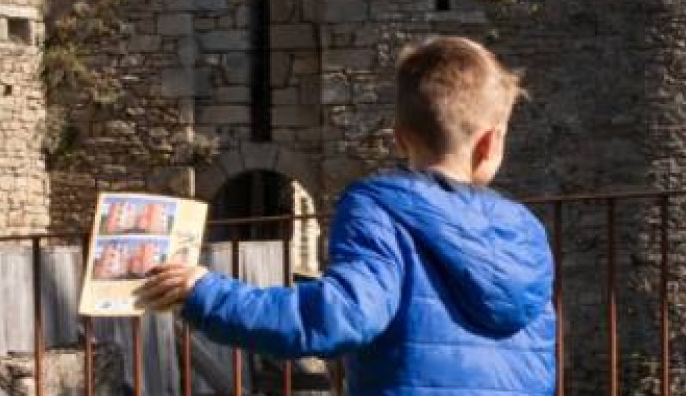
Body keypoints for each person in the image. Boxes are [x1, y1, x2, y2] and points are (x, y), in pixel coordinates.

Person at [137, 36, 557, 395]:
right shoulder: (526, 235)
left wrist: (207, 293)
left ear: (399, 138)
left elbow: (341, 315)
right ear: (490, 144)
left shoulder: (380, 208)